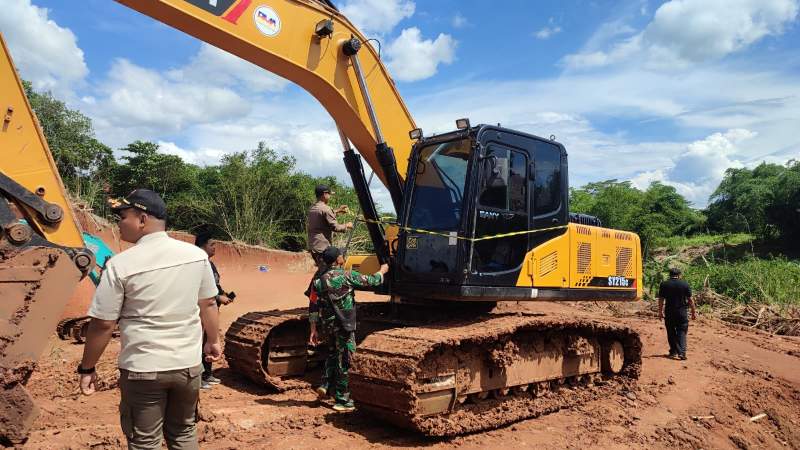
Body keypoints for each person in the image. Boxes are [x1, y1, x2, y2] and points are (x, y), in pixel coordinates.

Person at [78, 189, 221, 450]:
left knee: (145, 442)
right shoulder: (196, 256)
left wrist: (87, 368)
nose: (119, 223)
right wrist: (213, 340)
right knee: (184, 433)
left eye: (122, 216)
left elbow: (103, 324)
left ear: (142, 219)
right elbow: (209, 303)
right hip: (188, 367)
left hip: (144, 370)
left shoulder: (121, 265)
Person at [308, 246, 388, 412]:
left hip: (327, 324)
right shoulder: (346, 276)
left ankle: (325, 384)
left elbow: (314, 305)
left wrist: (313, 329)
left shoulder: (318, 280)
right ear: (338, 259)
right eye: (341, 255)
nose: (343, 257)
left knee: (332, 353)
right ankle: (342, 400)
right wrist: (383, 270)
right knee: (345, 359)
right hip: (344, 324)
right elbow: (373, 280)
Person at [195, 233, 234, 389]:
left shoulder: (210, 264)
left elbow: (214, 286)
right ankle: (198, 378)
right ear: (203, 245)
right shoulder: (198, 263)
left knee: (209, 342)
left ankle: (207, 374)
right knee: (200, 343)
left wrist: (223, 294)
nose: (215, 248)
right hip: (201, 310)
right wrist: (218, 298)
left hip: (212, 309)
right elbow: (201, 290)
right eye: (212, 244)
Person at [307, 184, 353, 267]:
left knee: (321, 268)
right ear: (324, 194)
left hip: (313, 246)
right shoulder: (326, 209)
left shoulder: (312, 208)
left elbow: (321, 214)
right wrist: (347, 225)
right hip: (323, 248)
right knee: (326, 270)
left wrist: (337, 211)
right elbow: (336, 227)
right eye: (329, 194)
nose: (330, 196)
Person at [658, 267, 696, 360]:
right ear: (679, 275)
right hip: (681, 312)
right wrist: (693, 312)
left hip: (669, 311)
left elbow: (661, 299)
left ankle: (673, 351)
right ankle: (682, 353)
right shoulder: (684, 284)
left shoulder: (664, 284)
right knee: (682, 332)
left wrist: (660, 311)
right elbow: (690, 300)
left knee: (671, 332)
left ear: (669, 275)